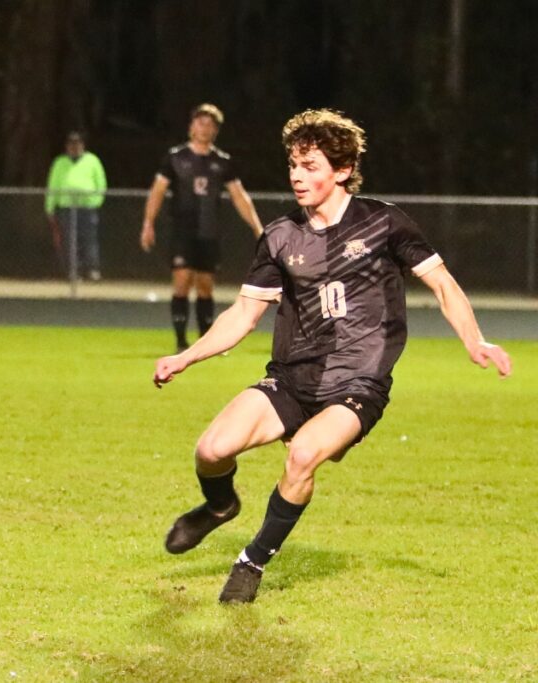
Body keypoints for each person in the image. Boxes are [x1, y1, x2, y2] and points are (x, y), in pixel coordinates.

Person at [153, 109, 512, 604]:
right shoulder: (280, 236)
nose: (298, 176)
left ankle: (252, 561)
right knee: (211, 451)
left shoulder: (385, 222)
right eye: (294, 165)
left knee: (302, 456)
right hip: (291, 379)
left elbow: (443, 284)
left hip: (357, 385)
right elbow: (242, 314)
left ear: (342, 170)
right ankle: (219, 508)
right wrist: (186, 357)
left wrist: (475, 340)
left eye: (311, 165)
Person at [141, 103, 263, 352]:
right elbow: (157, 192)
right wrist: (148, 223)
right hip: (182, 231)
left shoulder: (222, 162)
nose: (204, 127)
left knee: (206, 285)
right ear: (191, 127)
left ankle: (207, 341)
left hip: (208, 231)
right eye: (200, 122)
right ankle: (181, 341)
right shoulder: (176, 158)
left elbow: (240, 196)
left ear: (215, 130)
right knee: (182, 280)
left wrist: (257, 228)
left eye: (209, 124)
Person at [44, 130, 107, 281]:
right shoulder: (60, 163)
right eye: (71, 144)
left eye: (77, 144)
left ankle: (92, 269)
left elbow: (101, 183)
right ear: (67, 146)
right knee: (69, 240)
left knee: (89, 239)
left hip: (87, 207)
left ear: (82, 145)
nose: (74, 147)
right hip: (66, 207)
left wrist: (97, 201)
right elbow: (52, 185)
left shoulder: (92, 161)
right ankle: (74, 271)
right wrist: (50, 207)